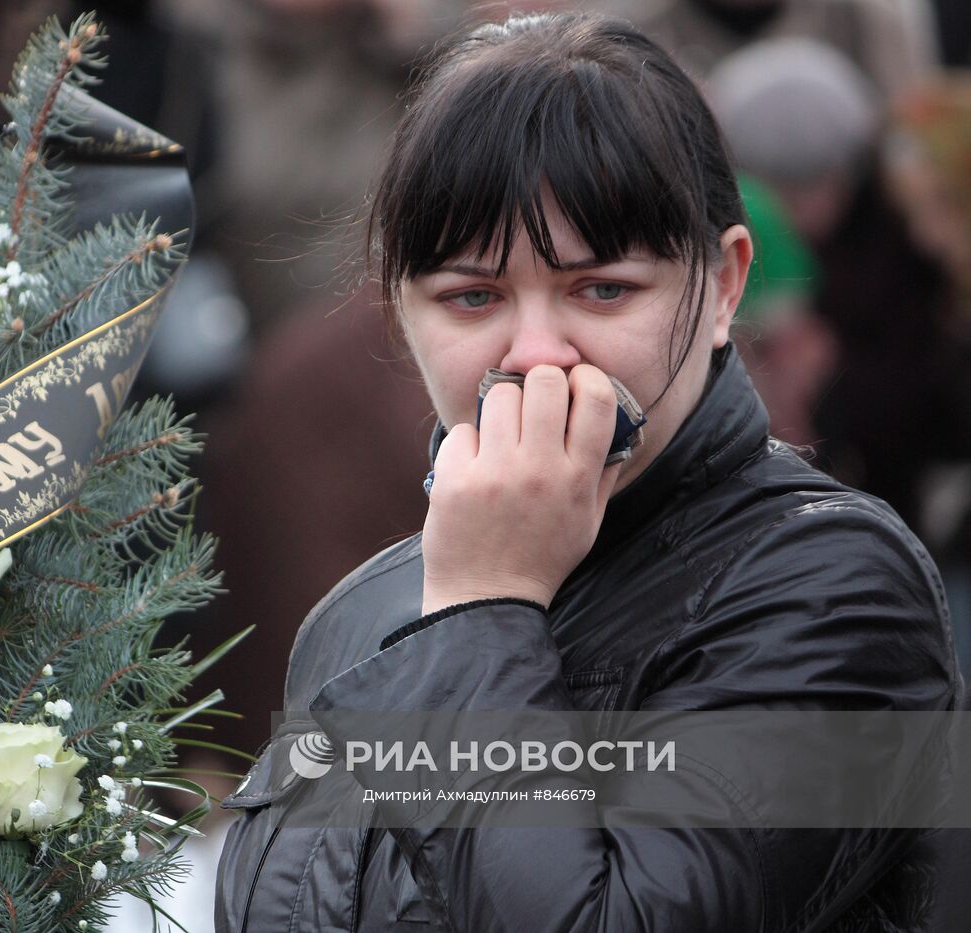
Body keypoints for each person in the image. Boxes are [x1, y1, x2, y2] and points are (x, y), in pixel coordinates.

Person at [213, 12, 962, 932]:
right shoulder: (364, 614)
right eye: (472, 296)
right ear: (401, 313)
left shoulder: (833, 587)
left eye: (602, 289)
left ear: (724, 285)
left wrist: (488, 606)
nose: (534, 354)